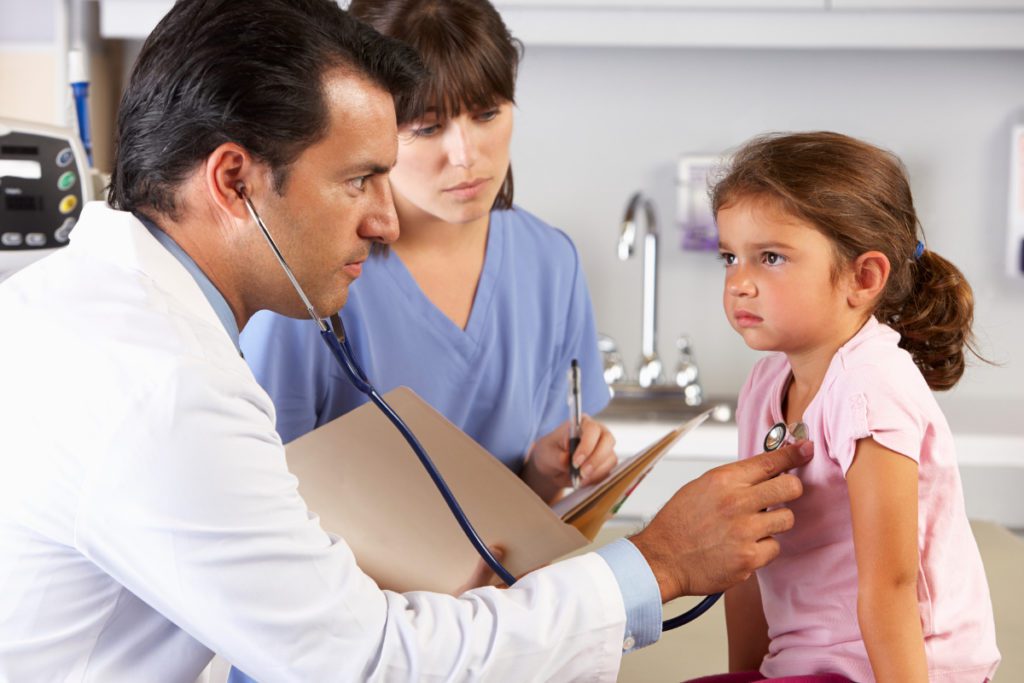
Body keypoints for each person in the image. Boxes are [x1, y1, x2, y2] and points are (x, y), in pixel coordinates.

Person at [0, 1, 811, 681]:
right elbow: (367, 659)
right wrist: (658, 564)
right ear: (233, 182)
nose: (386, 219)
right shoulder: (167, 389)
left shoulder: (89, 308)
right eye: (358, 180)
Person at [239, 0, 615, 505]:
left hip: (509, 585)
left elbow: (523, 511)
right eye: (429, 127)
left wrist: (548, 472)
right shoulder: (305, 277)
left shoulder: (551, 263)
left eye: (486, 113)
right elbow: (262, 498)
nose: (466, 155)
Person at [695, 131, 1000, 683]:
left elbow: (891, 585)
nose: (739, 283)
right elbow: (747, 564)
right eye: (729, 258)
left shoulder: (870, 386)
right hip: (808, 668)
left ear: (864, 278)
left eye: (770, 257)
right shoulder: (766, 385)